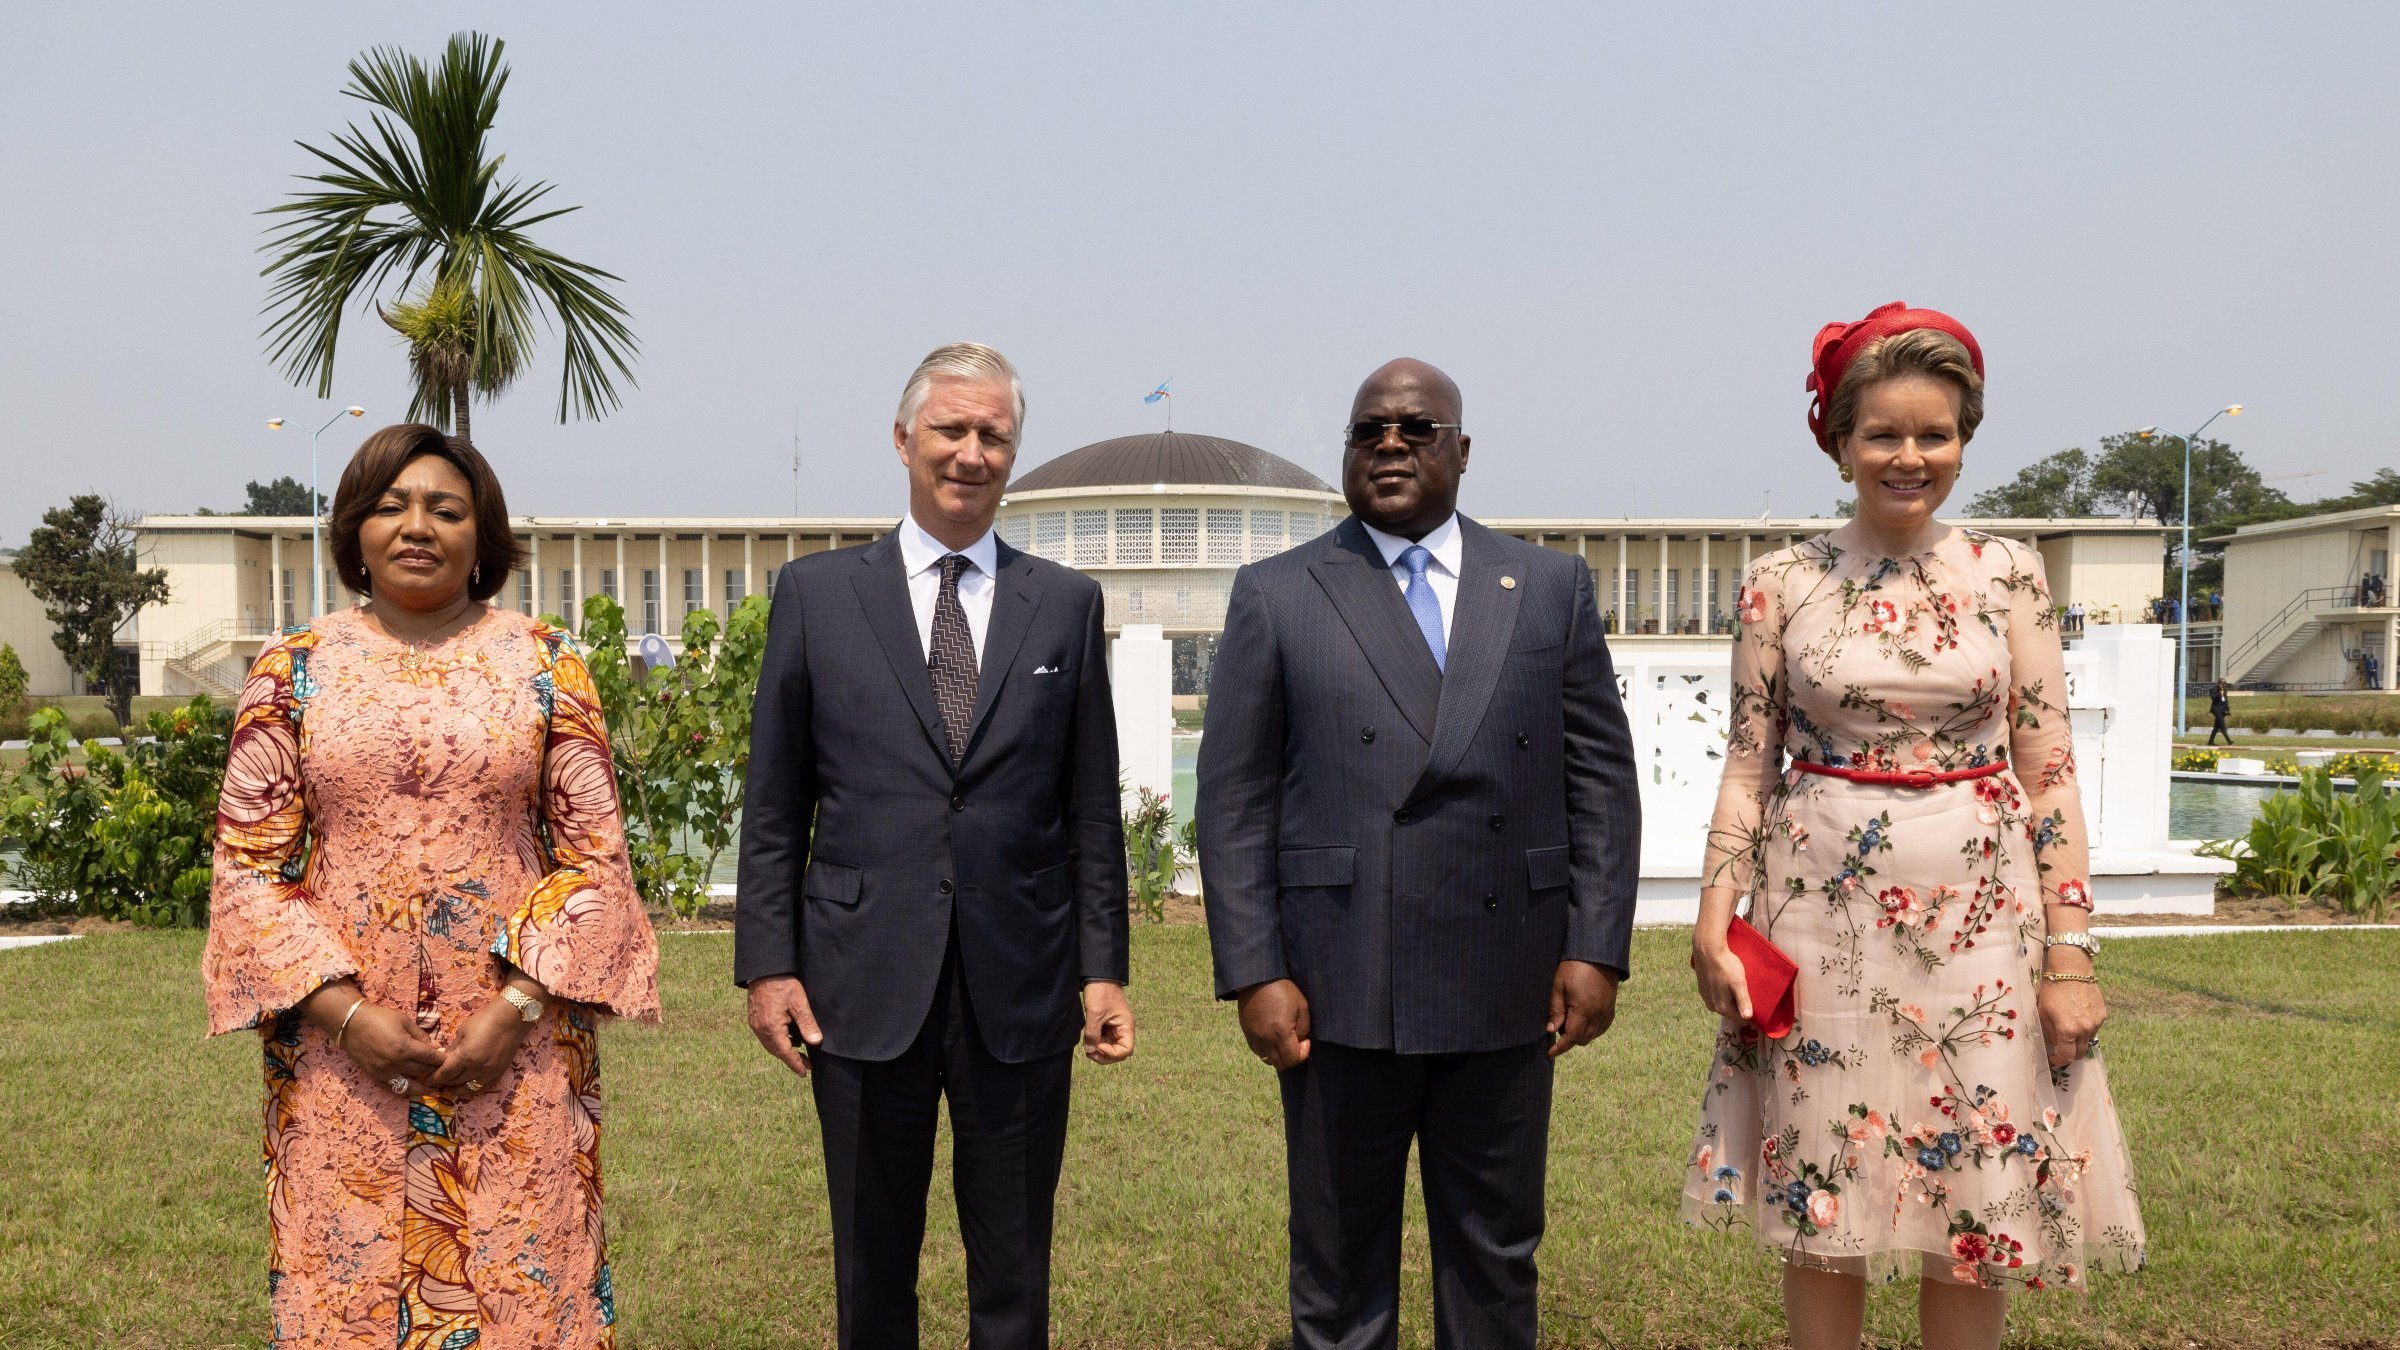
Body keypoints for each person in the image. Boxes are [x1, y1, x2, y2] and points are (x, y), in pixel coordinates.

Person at [1682, 304, 2144, 1350]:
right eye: (1883, 434)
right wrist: (1715, 918)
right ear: (1839, 441)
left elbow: (2052, 775)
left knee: (1975, 1189)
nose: (1909, 457)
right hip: (1813, 920)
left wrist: (2071, 955)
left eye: (1934, 434)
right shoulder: (1781, 582)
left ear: (1964, 443)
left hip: (1986, 926)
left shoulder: (2012, 574)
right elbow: (1749, 765)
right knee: (1821, 1187)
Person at [1198, 358, 1641, 1348]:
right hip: (1336, 976)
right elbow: (1233, 802)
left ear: (1462, 449)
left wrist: (1596, 946)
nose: (1390, 445)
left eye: (1416, 427)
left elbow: (1600, 781)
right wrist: (1254, 968)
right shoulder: (1278, 593)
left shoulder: (1548, 585)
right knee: (1337, 1262)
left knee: (1494, 1257)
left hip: (1508, 976)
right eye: (1369, 430)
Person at [203, 424, 659, 1347]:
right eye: (391, 506)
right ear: (355, 532)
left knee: (524, 1280)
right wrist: (344, 1015)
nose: (418, 526)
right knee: (348, 1285)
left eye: (445, 510)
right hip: (340, 1048)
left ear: (481, 536)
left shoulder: (545, 663)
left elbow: (595, 858)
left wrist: (518, 1009)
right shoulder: (290, 669)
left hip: (517, 1047)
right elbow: (249, 865)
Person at [736, 342, 1134, 1349]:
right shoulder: (818, 598)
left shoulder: (1065, 605)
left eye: (992, 434)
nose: (970, 452)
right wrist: (769, 966)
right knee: (873, 1263)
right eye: (951, 430)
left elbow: (1090, 809)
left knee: (1014, 1267)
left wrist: (1104, 972)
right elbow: (778, 801)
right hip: (860, 984)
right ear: (904, 439)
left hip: (1024, 986)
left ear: (1013, 450)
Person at [2208, 679, 2235, 745]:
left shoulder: (2225, 689)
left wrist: (2228, 709)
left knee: (2216, 727)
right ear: (2219, 683)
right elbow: (2213, 698)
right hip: (2216, 710)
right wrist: (2219, 692)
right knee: (2222, 726)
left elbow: (2225, 700)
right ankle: (2229, 741)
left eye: (2225, 684)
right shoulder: (2213, 689)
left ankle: (2210, 742)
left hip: (2222, 710)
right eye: (2223, 684)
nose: (2224, 685)